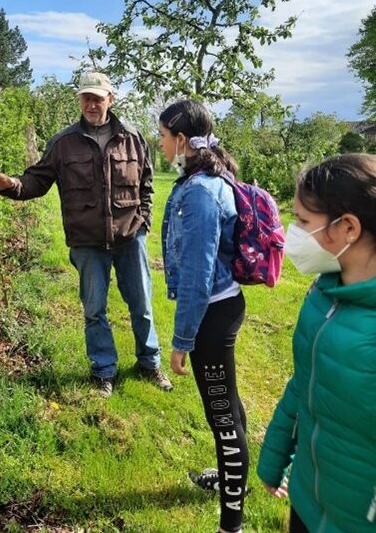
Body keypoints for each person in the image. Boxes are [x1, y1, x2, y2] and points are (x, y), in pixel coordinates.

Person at [0, 72, 172, 399]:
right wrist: (11, 186)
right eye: (86, 97)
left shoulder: (132, 137)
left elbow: (146, 182)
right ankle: (103, 371)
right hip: (87, 243)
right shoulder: (63, 143)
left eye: (97, 98)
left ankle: (150, 362)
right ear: (80, 101)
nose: (91, 104)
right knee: (94, 309)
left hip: (130, 238)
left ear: (110, 99)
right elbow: (37, 181)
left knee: (141, 304)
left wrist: (143, 221)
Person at [258, 153, 376, 533]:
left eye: (303, 222)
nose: (291, 233)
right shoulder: (324, 293)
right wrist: (275, 455)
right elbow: (304, 383)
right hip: (307, 503)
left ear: (348, 229)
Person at [158, 99, 248, 533]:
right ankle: (234, 479)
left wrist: (182, 341)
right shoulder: (207, 178)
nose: (159, 143)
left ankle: (231, 523)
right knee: (227, 405)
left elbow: (196, 275)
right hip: (221, 305)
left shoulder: (198, 191)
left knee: (222, 415)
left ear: (181, 140)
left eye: (162, 135)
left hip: (212, 313)